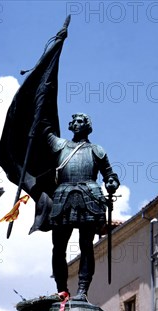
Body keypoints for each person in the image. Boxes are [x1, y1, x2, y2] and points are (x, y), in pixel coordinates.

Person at [44, 113, 119, 301]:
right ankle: (62, 290)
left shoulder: (96, 150)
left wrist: (111, 183)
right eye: (75, 122)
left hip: (89, 196)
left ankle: (82, 291)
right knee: (58, 247)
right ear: (70, 125)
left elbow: (110, 175)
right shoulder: (58, 146)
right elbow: (42, 131)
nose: (77, 124)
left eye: (81, 122)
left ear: (87, 126)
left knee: (86, 246)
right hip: (63, 196)